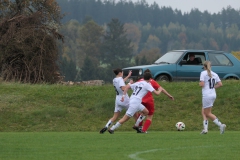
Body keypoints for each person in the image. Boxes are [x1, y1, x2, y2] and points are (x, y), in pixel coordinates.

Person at [132, 69, 174, 133]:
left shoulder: (140, 81)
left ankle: (139, 128)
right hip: (149, 101)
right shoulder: (152, 81)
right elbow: (161, 89)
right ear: (150, 76)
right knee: (150, 116)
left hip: (140, 100)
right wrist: (169, 95)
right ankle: (144, 130)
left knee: (141, 113)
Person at [99, 68, 133, 134]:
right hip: (124, 99)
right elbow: (123, 88)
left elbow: (122, 82)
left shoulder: (115, 79)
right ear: (120, 73)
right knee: (133, 112)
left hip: (117, 99)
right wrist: (129, 83)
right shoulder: (120, 80)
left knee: (115, 117)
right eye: (122, 73)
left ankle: (106, 126)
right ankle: (138, 126)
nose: (123, 74)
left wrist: (128, 76)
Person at [199, 61, 226, 134]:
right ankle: (205, 129)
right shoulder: (215, 74)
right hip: (213, 94)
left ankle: (221, 125)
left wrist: (199, 84)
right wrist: (213, 87)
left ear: (204, 67)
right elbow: (220, 84)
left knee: (207, 113)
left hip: (206, 95)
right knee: (204, 111)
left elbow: (202, 84)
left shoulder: (203, 73)